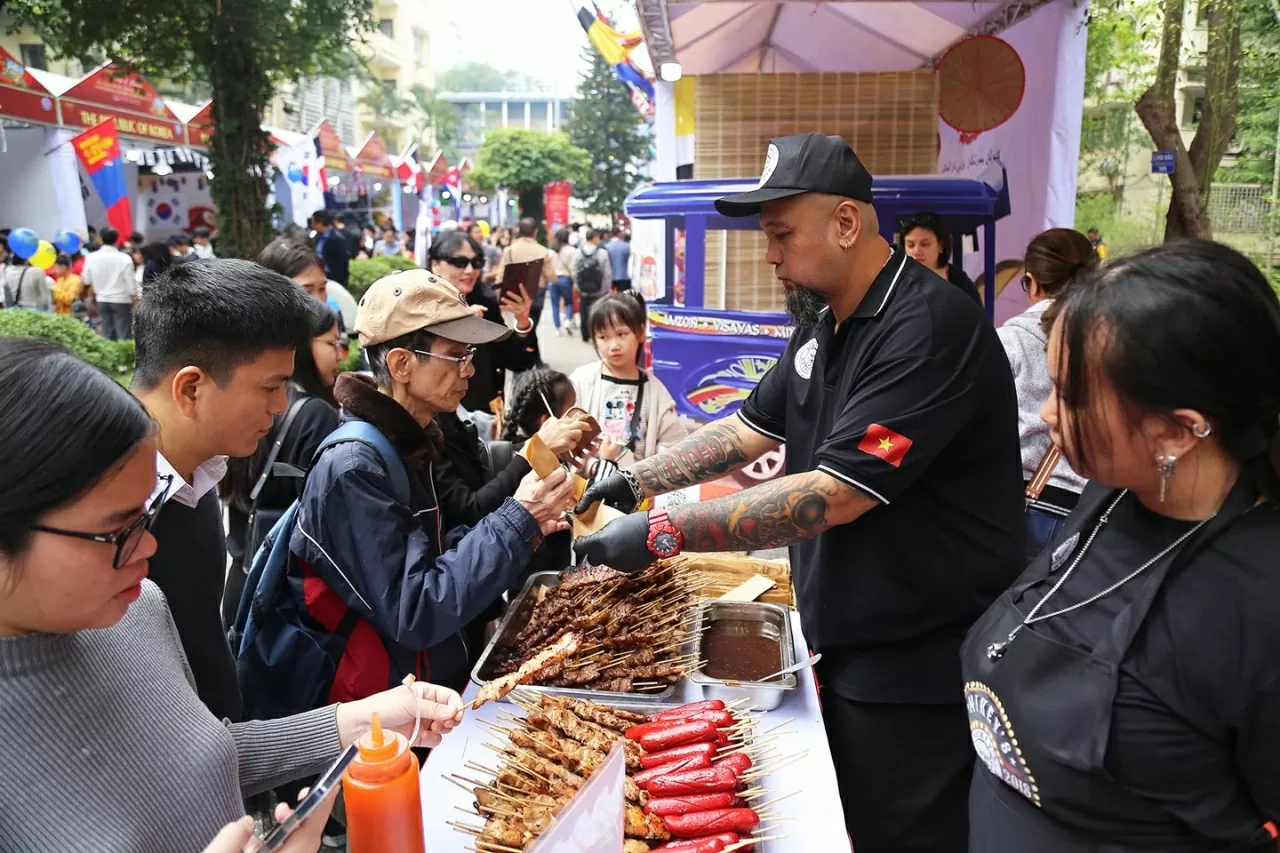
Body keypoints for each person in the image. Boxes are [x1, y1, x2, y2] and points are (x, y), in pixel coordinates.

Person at [574, 133, 1025, 853]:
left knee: (898, 833)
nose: (771, 253)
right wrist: (634, 480)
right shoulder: (824, 327)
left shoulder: (927, 327)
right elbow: (744, 431)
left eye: (782, 233)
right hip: (845, 641)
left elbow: (833, 495)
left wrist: (664, 531)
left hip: (919, 659)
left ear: (845, 223)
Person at [0, 338, 467, 853]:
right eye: (116, 532)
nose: (149, 545)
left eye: (145, 514)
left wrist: (360, 720)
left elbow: (205, 756)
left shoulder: (141, 611)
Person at [964, 239, 1280, 852]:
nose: (1050, 415)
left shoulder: (1260, 604)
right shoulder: (1108, 496)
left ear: (1177, 430)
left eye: (1072, 396)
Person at [271, 270, 575, 703]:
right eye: (456, 356)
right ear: (401, 364)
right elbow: (413, 609)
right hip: (382, 709)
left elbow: (432, 550)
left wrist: (527, 526)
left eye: (469, 354)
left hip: (424, 685)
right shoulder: (354, 467)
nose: (469, 371)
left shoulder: (413, 436)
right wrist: (515, 520)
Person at [131, 260, 316, 722]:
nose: (279, 407)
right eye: (270, 387)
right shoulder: (106, 518)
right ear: (190, 388)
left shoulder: (200, 475)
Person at [220, 298, 342, 629]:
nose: (341, 354)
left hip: (242, 577)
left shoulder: (251, 400)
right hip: (286, 596)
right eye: (332, 343)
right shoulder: (315, 414)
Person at [999, 228, 1097, 562]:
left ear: (1032, 281)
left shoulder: (1009, 340)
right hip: (1091, 507)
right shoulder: (1108, 335)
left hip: (1027, 501)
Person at [570, 292, 685, 469]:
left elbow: (676, 447)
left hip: (638, 491)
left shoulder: (655, 392)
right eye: (603, 337)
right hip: (587, 488)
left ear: (640, 333)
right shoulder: (582, 381)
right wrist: (594, 467)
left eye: (621, 334)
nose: (613, 345)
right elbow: (565, 440)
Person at [429, 230, 537, 414]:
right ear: (435, 265)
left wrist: (523, 321)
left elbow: (518, 361)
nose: (470, 270)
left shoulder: (486, 305)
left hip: (488, 414)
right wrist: (458, 322)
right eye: (459, 262)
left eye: (476, 262)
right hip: (441, 418)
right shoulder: (420, 307)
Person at [899, 212, 981, 304]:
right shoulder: (896, 280)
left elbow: (977, 317)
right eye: (910, 245)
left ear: (941, 245)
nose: (916, 251)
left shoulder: (959, 281)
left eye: (925, 244)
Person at [494, 217, 555, 331]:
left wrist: (499, 295)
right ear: (535, 232)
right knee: (532, 326)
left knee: (517, 325)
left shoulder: (510, 250)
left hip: (515, 293)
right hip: (536, 292)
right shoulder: (543, 251)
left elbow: (501, 274)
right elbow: (551, 276)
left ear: (519, 230)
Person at [81, 227, 136, 340]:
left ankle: (109, 357)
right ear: (116, 240)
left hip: (102, 299)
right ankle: (124, 357)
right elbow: (130, 281)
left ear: (101, 238)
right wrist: (134, 296)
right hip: (122, 300)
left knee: (107, 335)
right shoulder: (124, 258)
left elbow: (86, 279)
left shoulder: (91, 257)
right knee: (124, 335)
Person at [572, 228, 612, 342]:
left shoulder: (578, 253)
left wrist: (578, 285)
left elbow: (574, 270)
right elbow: (607, 273)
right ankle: (596, 334)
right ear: (594, 238)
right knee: (598, 312)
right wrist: (606, 289)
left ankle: (585, 335)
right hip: (599, 290)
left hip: (584, 289)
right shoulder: (602, 253)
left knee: (584, 312)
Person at [548, 227, 577, 336]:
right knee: (569, 302)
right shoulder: (572, 251)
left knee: (555, 305)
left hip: (553, 279)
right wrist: (575, 282)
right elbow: (573, 268)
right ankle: (567, 320)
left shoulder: (551, 251)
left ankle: (557, 328)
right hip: (566, 279)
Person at [310, 210, 350, 286]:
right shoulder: (316, 238)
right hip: (318, 276)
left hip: (333, 279)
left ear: (320, 222)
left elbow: (342, 264)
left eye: (313, 221)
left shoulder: (337, 239)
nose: (312, 224)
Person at [605, 227, 632, 292]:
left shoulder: (606, 246)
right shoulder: (626, 246)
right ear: (619, 234)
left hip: (611, 277)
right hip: (624, 276)